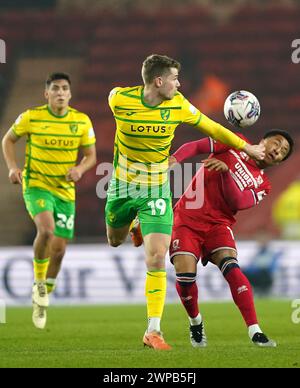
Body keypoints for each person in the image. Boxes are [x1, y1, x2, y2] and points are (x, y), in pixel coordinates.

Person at [105, 54, 265, 350]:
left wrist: (247, 147)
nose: (179, 84)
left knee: (155, 257)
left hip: (155, 189)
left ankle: (153, 330)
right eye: (175, 79)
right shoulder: (119, 99)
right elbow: (114, 96)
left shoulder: (178, 104)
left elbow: (213, 128)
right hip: (121, 186)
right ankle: (134, 223)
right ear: (158, 80)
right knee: (114, 240)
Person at [168, 129, 293, 347]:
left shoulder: (263, 184)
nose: (278, 151)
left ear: (280, 162)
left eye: (283, 152)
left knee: (232, 269)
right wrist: (175, 159)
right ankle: (195, 322)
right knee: (186, 278)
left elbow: (239, 202)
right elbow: (198, 146)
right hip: (187, 218)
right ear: (263, 140)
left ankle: (255, 331)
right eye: (277, 143)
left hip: (219, 225)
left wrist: (226, 172)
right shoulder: (236, 142)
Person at [2, 72, 97, 329]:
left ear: (70, 93)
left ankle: (42, 298)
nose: (60, 92)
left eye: (64, 88)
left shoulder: (81, 121)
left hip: (64, 191)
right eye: (55, 88)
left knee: (59, 249)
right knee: (46, 230)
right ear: (47, 94)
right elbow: (8, 140)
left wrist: (80, 169)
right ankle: (39, 283)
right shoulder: (31, 117)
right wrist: (12, 168)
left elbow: (91, 156)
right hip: (37, 186)